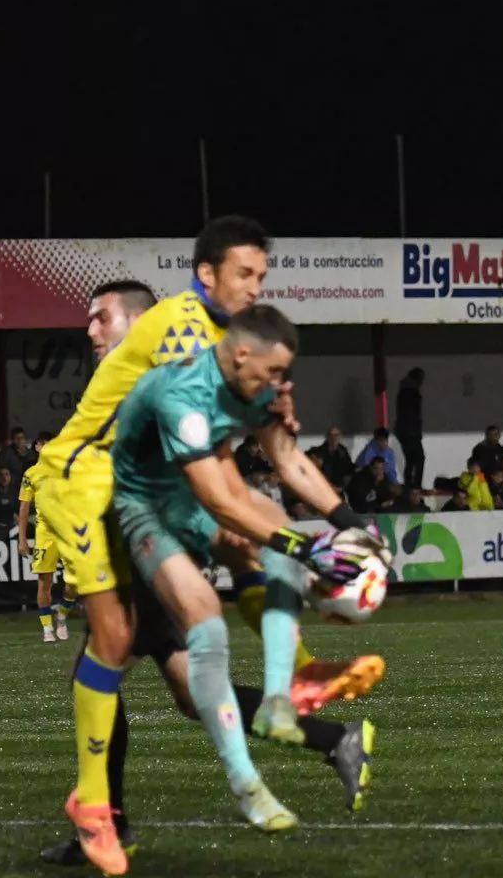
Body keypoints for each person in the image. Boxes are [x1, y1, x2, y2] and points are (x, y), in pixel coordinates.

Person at [106, 303, 381, 848]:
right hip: (140, 516)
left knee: (167, 675)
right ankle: (123, 814)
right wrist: (307, 549)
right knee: (138, 671)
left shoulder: (256, 385)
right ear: (240, 354)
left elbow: (289, 461)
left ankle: (289, 700)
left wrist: (352, 527)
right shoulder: (179, 394)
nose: (281, 384)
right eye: (274, 372)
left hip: (185, 509)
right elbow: (221, 500)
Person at [16, 459, 73, 644]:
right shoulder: (31, 473)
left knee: (75, 583)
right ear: (39, 447)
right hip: (45, 535)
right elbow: (24, 508)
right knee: (44, 583)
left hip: (68, 533)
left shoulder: (68, 468)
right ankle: (47, 628)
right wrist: (22, 539)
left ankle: (62, 615)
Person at [391, 367, 426, 490]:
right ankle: (415, 486)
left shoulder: (404, 391)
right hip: (410, 431)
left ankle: (410, 486)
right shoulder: (411, 392)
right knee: (418, 458)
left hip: (404, 430)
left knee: (411, 460)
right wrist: (416, 431)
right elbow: (412, 415)